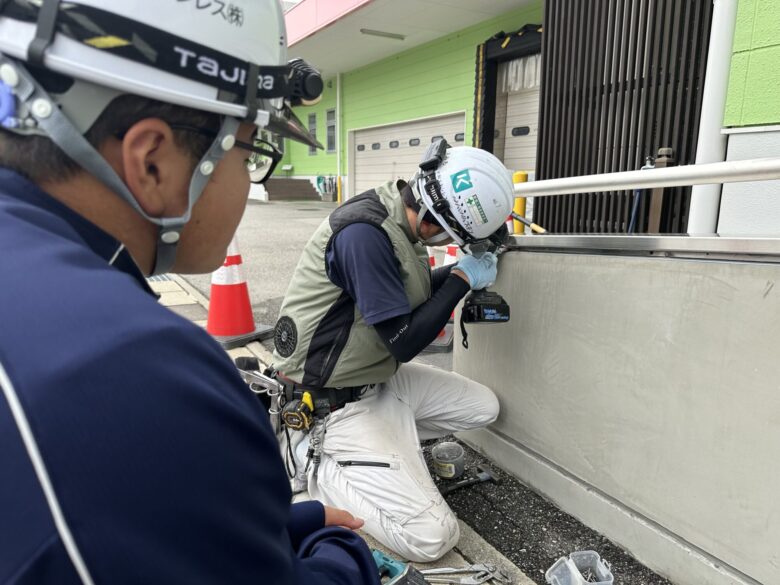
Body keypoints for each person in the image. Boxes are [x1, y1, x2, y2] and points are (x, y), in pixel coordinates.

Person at [0, 2, 379, 584]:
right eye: (249, 150)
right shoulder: (133, 368)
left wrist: (257, 523)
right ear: (152, 162)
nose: (248, 177)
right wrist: (341, 552)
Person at [271, 138, 515, 562]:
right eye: (453, 236)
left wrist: (459, 273)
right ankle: (318, 464)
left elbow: (400, 295)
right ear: (435, 221)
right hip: (331, 405)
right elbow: (404, 341)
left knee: (484, 408)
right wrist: (461, 278)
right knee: (433, 537)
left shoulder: (401, 219)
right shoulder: (364, 235)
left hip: (378, 381)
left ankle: (386, 451)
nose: (446, 242)